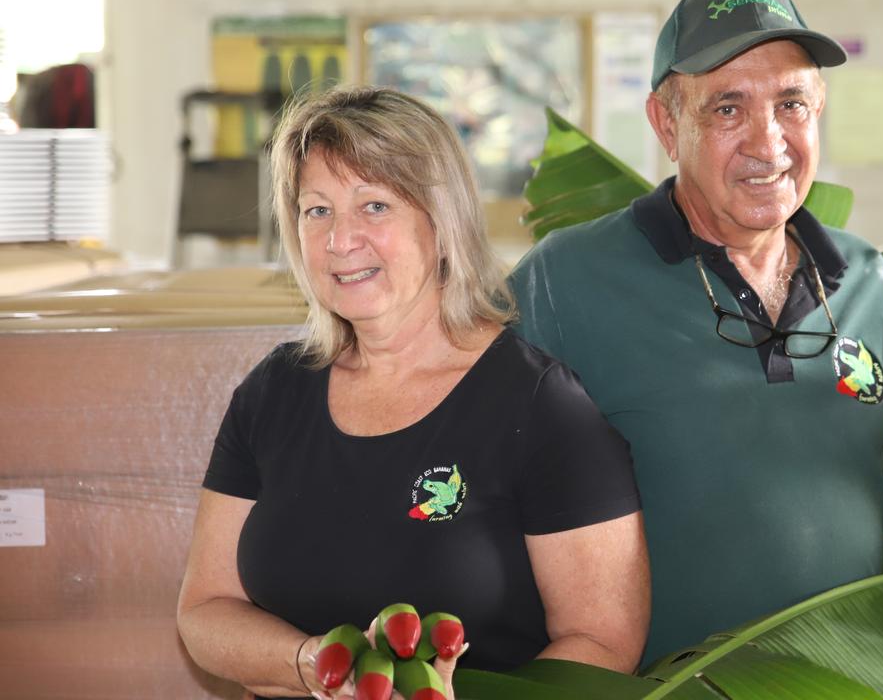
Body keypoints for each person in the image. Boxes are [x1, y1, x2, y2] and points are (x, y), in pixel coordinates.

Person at [177, 86, 650, 700]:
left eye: (373, 206)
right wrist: (318, 666)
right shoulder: (274, 391)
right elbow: (206, 610)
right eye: (316, 210)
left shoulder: (539, 406)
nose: (340, 240)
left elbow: (606, 642)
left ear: (442, 220)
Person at [509, 0, 883, 667]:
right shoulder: (564, 280)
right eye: (728, 108)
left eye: (791, 104)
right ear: (666, 125)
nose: (768, 141)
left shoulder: (865, 277)